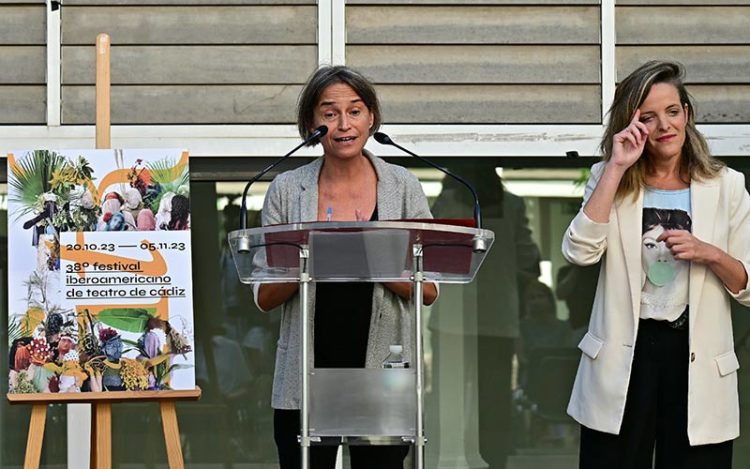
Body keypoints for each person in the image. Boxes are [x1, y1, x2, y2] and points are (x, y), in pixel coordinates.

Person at [562, 60, 750, 469]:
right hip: (624, 356)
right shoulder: (609, 177)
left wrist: (710, 252)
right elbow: (579, 251)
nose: (664, 125)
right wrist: (616, 167)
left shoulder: (726, 185)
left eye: (672, 111)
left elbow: (748, 286)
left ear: (687, 114)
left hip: (695, 356)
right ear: (631, 125)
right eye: (648, 117)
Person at [252, 65, 438, 469]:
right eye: (329, 112)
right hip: (305, 377)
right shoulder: (286, 189)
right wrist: (312, 256)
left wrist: (370, 258)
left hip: (383, 375)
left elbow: (427, 290)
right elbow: (265, 296)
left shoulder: (403, 186)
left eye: (355, 111)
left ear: (372, 118)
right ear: (311, 123)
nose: (343, 124)